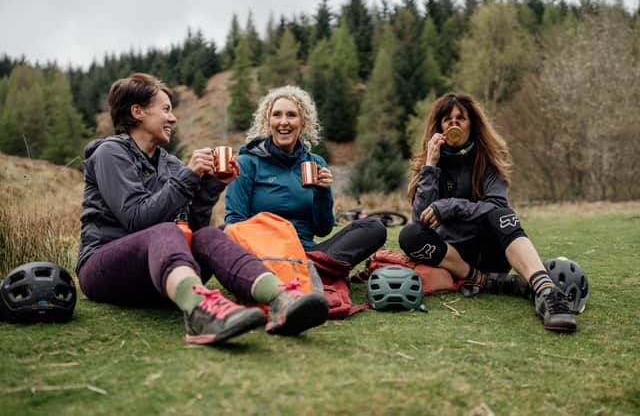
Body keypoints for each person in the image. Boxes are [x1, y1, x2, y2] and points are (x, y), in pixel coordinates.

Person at [76, 73, 328, 346]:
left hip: (158, 276)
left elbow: (191, 230)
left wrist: (209, 187)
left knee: (211, 235)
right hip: (104, 269)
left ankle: (280, 299)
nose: (172, 118)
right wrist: (188, 177)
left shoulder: (169, 164)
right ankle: (200, 313)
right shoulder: (110, 154)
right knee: (164, 231)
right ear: (137, 112)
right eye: (166, 109)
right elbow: (137, 219)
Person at [399, 92, 576, 333]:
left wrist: (449, 206)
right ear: (438, 127)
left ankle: (547, 292)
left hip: (490, 251)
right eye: (447, 119)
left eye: (460, 118)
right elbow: (421, 221)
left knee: (501, 214)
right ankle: (485, 282)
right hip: (453, 257)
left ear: (471, 124)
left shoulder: (488, 160)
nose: (454, 123)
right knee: (409, 235)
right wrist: (430, 166)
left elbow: (497, 206)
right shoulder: (432, 165)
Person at [225, 85, 386, 278]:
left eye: (291, 115)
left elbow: (322, 229)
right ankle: (308, 274)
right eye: (277, 115)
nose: (283, 122)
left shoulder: (315, 163)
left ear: (303, 122)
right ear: (268, 122)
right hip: (265, 254)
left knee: (373, 228)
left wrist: (323, 192)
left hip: (308, 253)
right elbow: (234, 223)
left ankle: (306, 271)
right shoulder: (247, 163)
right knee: (221, 233)